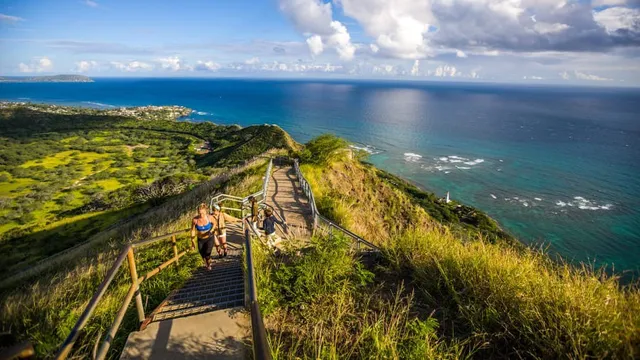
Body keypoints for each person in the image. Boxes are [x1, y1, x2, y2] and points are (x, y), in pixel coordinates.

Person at [191, 203, 215, 270]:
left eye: (203, 213)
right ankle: (207, 262)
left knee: (207, 253)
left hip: (209, 238)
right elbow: (192, 230)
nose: (201, 215)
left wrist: (212, 230)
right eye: (200, 213)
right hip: (200, 239)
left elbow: (215, 223)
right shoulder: (195, 220)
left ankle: (208, 264)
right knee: (202, 254)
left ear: (205, 211)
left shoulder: (209, 217)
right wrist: (192, 241)